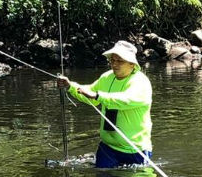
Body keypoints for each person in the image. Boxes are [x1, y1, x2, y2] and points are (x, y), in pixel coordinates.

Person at [57, 40, 152, 168]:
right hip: (108, 148)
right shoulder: (107, 77)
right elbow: (90, 94)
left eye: (120, 61)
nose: (115, 64)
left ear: (132, 64)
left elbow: (125, 100)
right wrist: (70, 86)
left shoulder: (141, 82)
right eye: (112, 60)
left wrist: (98, 96)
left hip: (135, 150)